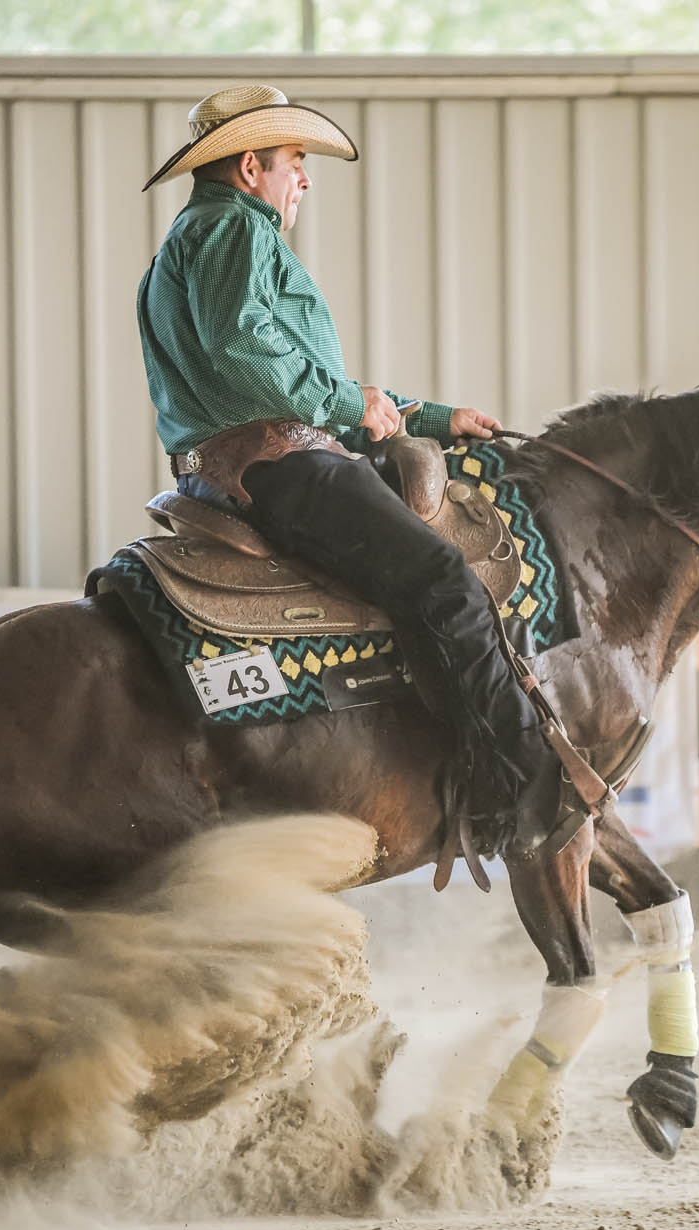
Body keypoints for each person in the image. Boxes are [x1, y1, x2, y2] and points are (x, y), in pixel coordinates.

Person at [136, 83, 561, 854]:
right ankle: (537, 788)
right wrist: (344, 401)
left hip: (230, 466)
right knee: (447, 584)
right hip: (284, 465)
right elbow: (252, 354)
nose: (303, 178)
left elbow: (299, 385)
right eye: (294, 160)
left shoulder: (186, 244)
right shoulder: (240, 230)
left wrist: (434, 419)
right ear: (250, 165)